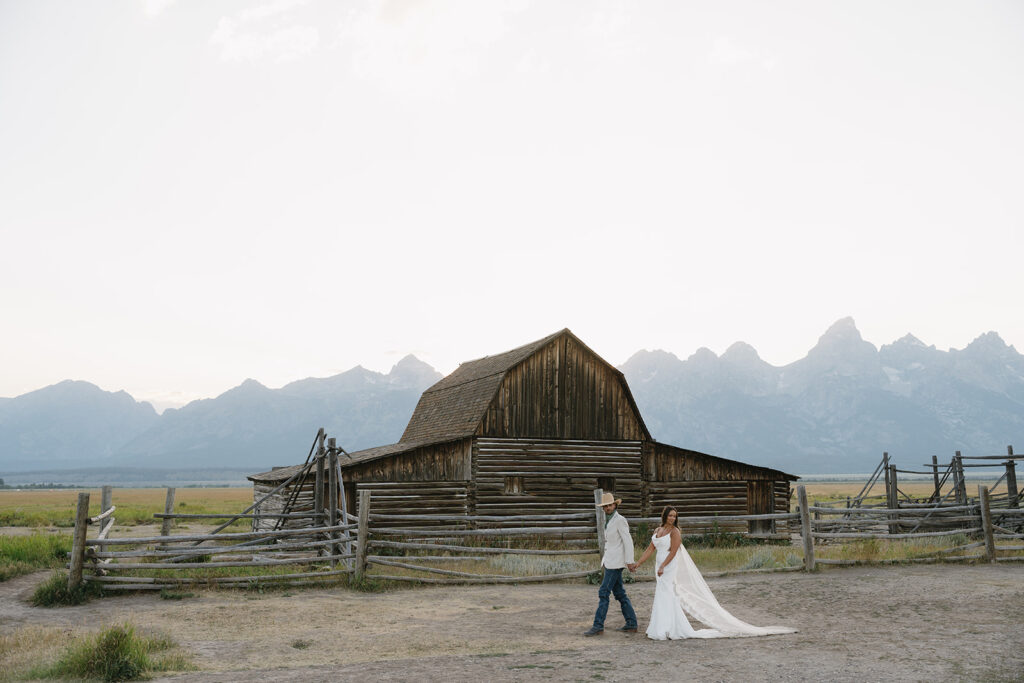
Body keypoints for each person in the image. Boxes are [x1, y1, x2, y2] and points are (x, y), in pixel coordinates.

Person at [630, 506, 796, 640]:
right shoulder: (657, 530)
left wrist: (663, 566)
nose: (672, 518)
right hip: (659, 563)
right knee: (661, 594)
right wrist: (638, 563)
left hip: (668, 565)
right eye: (670, 515)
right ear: (664, 516)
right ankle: (660, 627)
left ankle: (668, 628)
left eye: (675, 516)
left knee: (667, 594)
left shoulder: (675, 532)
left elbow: (673, 552)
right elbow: (650, 549)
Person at [583, 492, 638, 636]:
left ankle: (598, 626)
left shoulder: (620, 520)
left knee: (603, 592)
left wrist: (630, 561)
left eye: (610, 505)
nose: (608, 507)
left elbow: (628, 541)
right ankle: (631, 623)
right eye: (605, 506)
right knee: (620, 593)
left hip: (616, 562)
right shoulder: (608, 521)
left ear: (615, 505)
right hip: (610, 560)